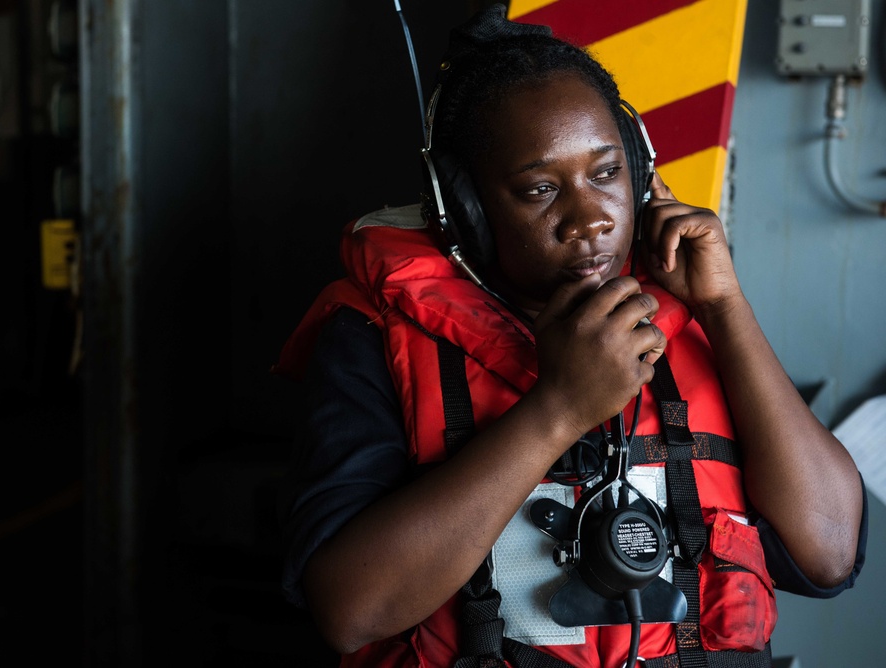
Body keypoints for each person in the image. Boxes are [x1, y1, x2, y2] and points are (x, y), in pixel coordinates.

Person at [273, 4, 867, 667]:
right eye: (538, 190)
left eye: (607, 173)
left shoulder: (693, 306)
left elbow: (830, 551)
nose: (588, 219)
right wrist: (557, 411)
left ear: (641, 173)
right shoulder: (372, 333)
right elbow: (349, 611)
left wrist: (726, 307)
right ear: (463, 208)